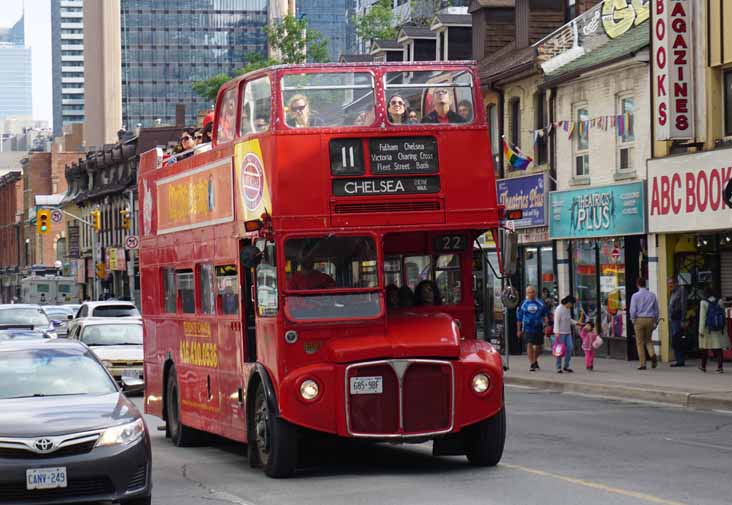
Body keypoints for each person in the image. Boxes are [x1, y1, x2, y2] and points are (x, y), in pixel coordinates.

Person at [629, 277, 659, 370]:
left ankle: (643, 364)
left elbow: (633, 310)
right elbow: (656, 310)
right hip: (650, 319)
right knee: (648, 340)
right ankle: (652, 354)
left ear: (637, 284)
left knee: (640, 342)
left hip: (639, 319)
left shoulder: (635, 296)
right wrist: (655, 320)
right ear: (645, 284)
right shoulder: (652, 295)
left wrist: (633, 319)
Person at [516, 285, 548, 372]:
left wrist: (546, 326)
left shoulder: (540, 303)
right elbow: (519, 318)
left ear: (535, 293)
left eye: (533, 292)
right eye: (529, 292)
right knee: (529, 344)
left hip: (538, 327)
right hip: (527, 328)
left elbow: (545, 316)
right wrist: (518, 330)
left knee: (538, 347)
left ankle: (534, 359)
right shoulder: (523, 304)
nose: (531, 294)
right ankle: (532, 363)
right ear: (526, 293)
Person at [698, 288, 727, 373]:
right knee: (718, 348)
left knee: (705, 348)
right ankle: (720, 367)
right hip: (718, 329)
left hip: (707, 329)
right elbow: (723, 315)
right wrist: (723, 328)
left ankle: (703, 367)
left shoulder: (703, 302)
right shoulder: (720, 301)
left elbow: (702, 318)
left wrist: (701, 330)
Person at [668, 276, 688, 367]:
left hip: (678, 318)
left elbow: (684, 305)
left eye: (671, 283)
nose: (669, 285)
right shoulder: (672, 292)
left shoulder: (681, 290)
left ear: (676, 283)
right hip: (672, 319)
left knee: (678, 339)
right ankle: (678, 359)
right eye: (668, 283)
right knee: (674, 339)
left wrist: (683, 319)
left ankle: (680, 360)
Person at [553, 295, 576, 373]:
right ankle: (558, 367)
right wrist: (556, 332)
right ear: (568, 302)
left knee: (570, 348)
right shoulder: (559, 309)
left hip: (568, 332)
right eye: (572, 304)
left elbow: (569, 319)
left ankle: (566, 366)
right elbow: (556, 321)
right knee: (559, 350)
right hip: (560, 333)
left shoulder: (568, 309)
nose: (572, 306)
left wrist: (576, 323)